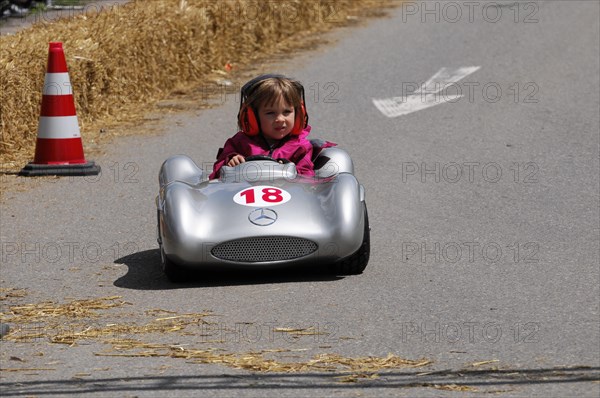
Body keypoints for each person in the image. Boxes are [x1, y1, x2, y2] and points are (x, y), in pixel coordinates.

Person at [209, 74, 334, 179]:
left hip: (287, 203)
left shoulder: (301, 147)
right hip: (245, 202)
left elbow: (307, 178)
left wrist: (289, 169)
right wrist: (230, 161)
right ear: (253, 117)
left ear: (298, 113)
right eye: (270, 113)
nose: (280, 119)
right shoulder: (239, 143)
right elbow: (215, 177)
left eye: (286, 112)